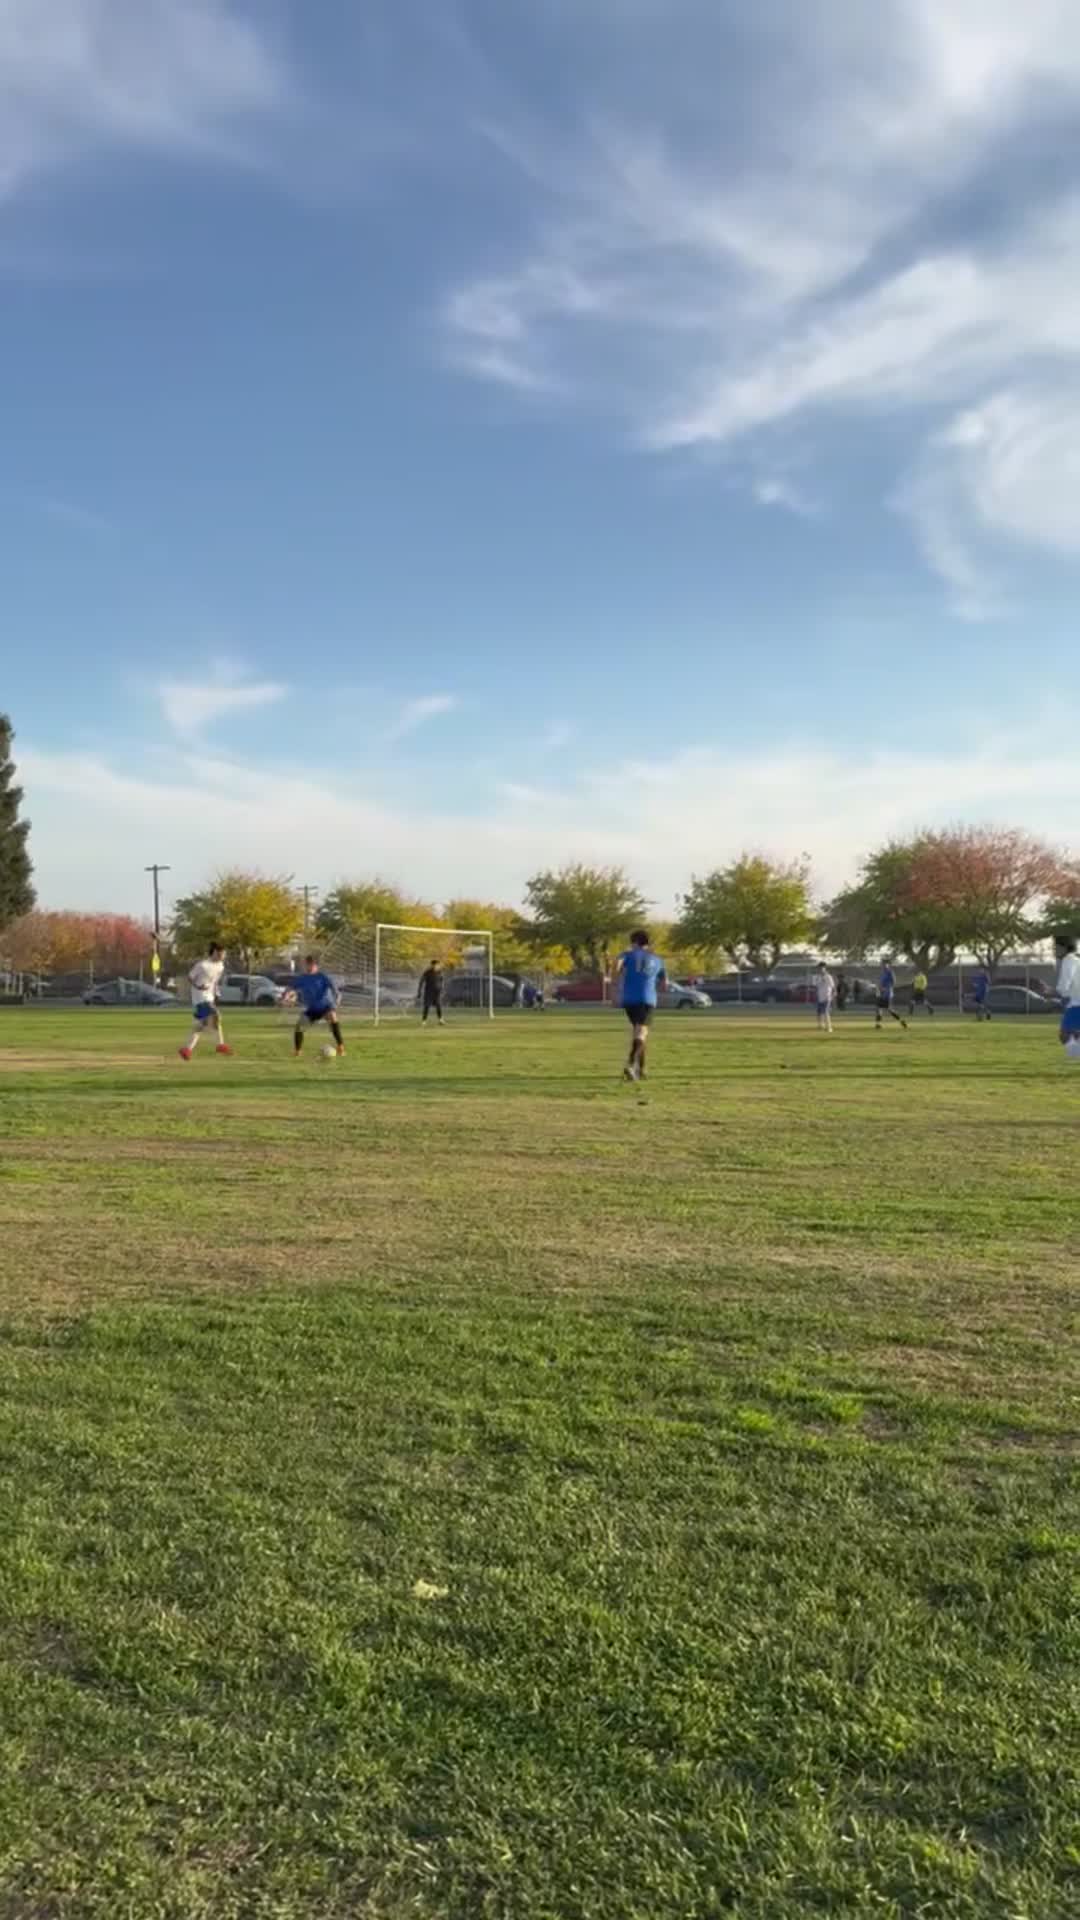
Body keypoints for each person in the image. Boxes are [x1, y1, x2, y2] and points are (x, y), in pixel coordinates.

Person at [615, 930, 666, 1081]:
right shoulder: (657, 959)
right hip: (647, 999)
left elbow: (616, 965)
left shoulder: (627, 955)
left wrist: (615, 981)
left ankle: (642, 1070)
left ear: (635, 942)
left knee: (639, 1033)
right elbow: (664, 984)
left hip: (629, 1000)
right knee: (641, 1034)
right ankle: (630, 1065)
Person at [179, 942, 231, 1061]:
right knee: (216, 1015)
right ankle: (220, 1045)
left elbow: (215, 981)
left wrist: (216, 992)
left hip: (210, 998)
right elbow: (190, 977)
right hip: (200, 998)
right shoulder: (202, 965)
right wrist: (198, 986)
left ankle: (187, 1050)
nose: (224, 956)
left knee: (199, 1026)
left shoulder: (220, 966)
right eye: (222, 953)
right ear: (215, 952)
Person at [291, 956, 344, 1057]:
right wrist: (288, 996)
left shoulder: (323, 977)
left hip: (325, 1006)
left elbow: (335, 990)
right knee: (299, 1027)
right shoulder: (302, 978)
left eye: (312, 964)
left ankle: (340, 1047)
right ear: (306, 964)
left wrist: (337, 999)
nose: (310, 966)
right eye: (308, 964)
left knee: (333, 1017)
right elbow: (292, 989)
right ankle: (297, 1051)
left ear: (316, 966)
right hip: (312, 1009)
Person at [1056, 937, 1080, 1048]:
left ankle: (1075, 1057)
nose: (1054, 950)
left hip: (1077, 1003)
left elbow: (1066, 979)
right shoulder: (1076, 960)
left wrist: (1059, 990)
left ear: (1064, 947)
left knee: (1064, 1035)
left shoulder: (1068, 959)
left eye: (1056, 947)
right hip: (1075, 1002)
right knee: (1072, 1034)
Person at [875, 958, 907, 1030]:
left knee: (889, 1010)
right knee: (879, 1008)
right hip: (881, 994)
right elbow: (881, 983)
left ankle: (901, 1021)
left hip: (887, 994)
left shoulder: (890, 972)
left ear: (888, 964)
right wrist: (879, 988)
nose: (882, 965)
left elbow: (893, 982)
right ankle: (878, 1024)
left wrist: (886, 988)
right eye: (882, 964)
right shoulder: (883, 973)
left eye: (884, 964)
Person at [814, 962, 835, 1033]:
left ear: (825, 968)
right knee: (819, 1013)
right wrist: (816, 995)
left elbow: (833, 987)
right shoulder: (818, 977)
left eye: (821, 968)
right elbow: (817, 987)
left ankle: (829, 1028)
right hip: (820, 998)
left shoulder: (828, 977)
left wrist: (832, 996)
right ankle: (821, 1026)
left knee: (826, 1012)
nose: (820, 969)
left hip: (827, 997)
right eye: (819, 968)